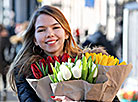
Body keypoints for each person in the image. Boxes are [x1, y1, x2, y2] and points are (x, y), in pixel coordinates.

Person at [8, 5, 119, 102]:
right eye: (41, 30)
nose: (49, 34)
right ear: (35, 40)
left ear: (66, 33)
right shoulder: (25, 70)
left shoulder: (91, 62)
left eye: (55, 27)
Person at [0, 24, 15, 96]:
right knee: (4, 76)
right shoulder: (6, 39)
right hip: (4, 61)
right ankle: (4, 89)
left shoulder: (5, 39)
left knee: (3, 76)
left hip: (3, 60)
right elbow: (9, 51)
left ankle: (4, 90)